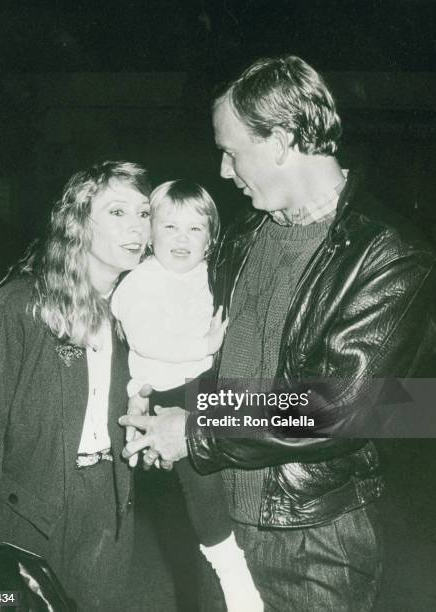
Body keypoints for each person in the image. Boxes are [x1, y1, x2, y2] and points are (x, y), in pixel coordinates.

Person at [119, 55, 436, 611]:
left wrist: (195, 430)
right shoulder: (245, 235)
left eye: (231, 151)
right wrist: (164, 408)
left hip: (312, 537)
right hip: (219, 515)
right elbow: (212, 356)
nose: (222, 171)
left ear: (282, 141)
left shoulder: (388, 256)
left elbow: (342, 406)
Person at [0, 160, 152, 611]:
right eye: (118, 212)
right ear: (78, 222)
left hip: (108, 506)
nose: (137, 227)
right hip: (27, 515)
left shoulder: (135, 310)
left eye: (143, 213)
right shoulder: (17, 307)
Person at [111, 179, 263, 612]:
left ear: (211, 239)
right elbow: (147, 339)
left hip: (206, 381)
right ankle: (227, 562)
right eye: (170, 227)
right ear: (150, 235)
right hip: (165, 386)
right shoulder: (140, 281)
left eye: (195, 230)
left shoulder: (207, 275)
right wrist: (206, 346)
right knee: (201, 483)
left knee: (224, 466)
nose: (181, 239)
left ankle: (231, 555)